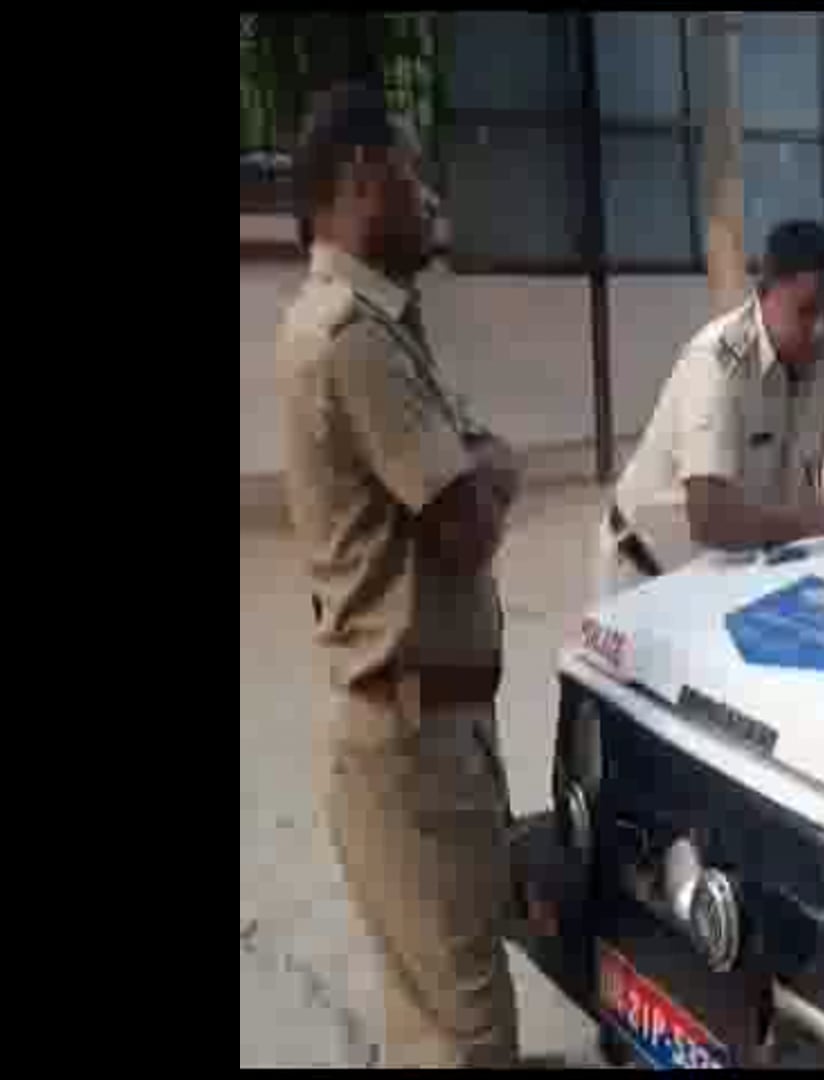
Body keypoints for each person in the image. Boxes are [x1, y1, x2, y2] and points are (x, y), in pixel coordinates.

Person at [276, 83, 525, 1068]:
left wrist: (482, 465)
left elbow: (475, 463)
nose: (430, 197)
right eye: (414, 174)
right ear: (363, 179)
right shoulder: (352, 338)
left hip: (426, 725)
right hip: (413, 741)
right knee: (468, 1030)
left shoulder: (376, 323)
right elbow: (469, 522)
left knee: (434, 1010)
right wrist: (488, 470)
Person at [597, 220, 824, 597]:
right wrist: (820, 520)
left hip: (730, 567)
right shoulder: (718, 361)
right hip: (647, 571)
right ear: (764, 294)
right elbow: (710, 518)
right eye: (806, 312)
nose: (821, 329)